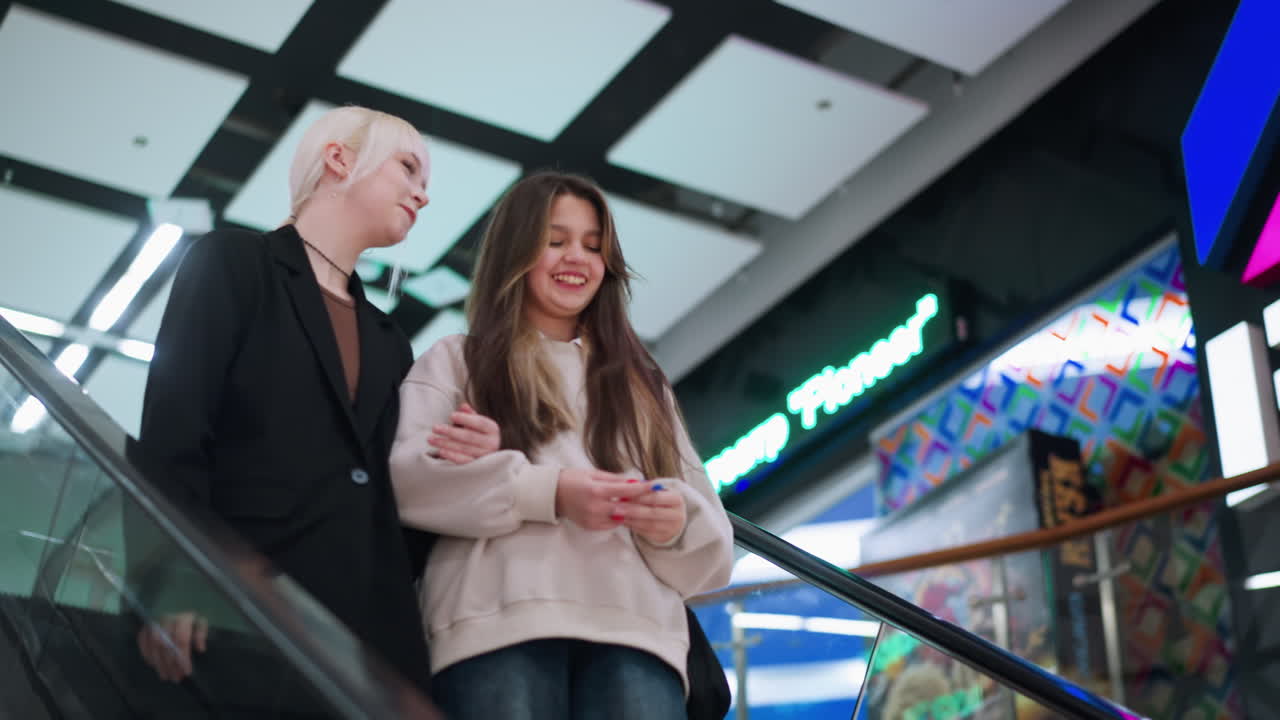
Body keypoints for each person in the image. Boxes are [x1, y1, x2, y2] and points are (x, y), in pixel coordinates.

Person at [132, 106, 493, 703]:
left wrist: (463, 460)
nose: (422, 196)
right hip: (236, 608)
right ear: (339, 159)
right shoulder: (235, 263)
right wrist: (172, 584)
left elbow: (384, 497)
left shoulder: (390, 342)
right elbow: (176, 427)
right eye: (409, 168)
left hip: (360, 644)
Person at [389, 171, 735, 719]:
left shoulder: (643, 385)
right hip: (494, 632)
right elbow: (408, 483)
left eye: (593, 246)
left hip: (639, 635)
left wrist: (674, 522)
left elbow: (714, 554)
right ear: (515, 250)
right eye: (555, 241)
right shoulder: (457, 360)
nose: (576, 258)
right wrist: (550, 493)